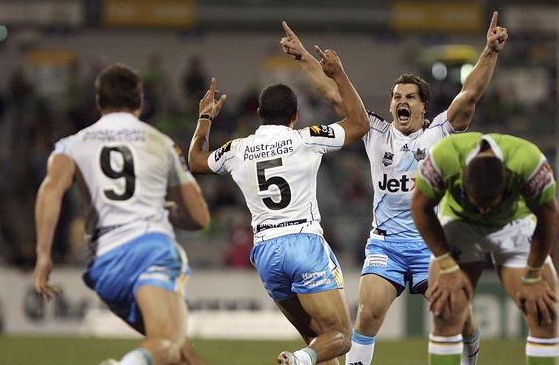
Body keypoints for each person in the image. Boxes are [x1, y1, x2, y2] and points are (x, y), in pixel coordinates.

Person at [280, 12, 507, 365]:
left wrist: (490, 51)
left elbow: (471, 93)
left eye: (411, 97)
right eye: (397, 96)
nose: (403, 101)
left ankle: (470, 347)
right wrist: (303, 57)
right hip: (386, 242)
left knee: (454, 314)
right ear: (391, 105)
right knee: (368, 314)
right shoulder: (375, 131)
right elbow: (334, 93)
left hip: (430, 242)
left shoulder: (439, 132)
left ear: (423, 106)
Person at [189, 45, 369, 365]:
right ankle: (296, 361)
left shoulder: (237, 149)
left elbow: (196, 161)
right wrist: (338, 74)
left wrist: (205, 118)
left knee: (318, 341)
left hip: (266, 253)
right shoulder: (306, 138)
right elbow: (359, 123)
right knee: (340, 336)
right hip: (303, 244)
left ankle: (301, 357)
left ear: (258, 114)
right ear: (295, 115)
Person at [33, 63, 209, 365]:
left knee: (177, 354)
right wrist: (171, 213)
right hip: (150, 250)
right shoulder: (161, 143)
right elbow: (199, 217)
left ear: (98, 102)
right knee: (168, 343)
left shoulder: (72, 145)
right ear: (140, 101)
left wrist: (43, 255)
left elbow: (50, 192)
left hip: (105, 266)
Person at [411, 132, 558, 365]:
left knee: (545, 315)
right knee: (446, 312)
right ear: (461, 181)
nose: (484, 213)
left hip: (514, 226)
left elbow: (549, 215)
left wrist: (534, 274)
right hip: (460, 224)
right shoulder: (444, 158)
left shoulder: (529, 163)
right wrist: (447, 266)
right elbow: (420, 208)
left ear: (509, 180)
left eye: (490, 206)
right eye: (478, 206)